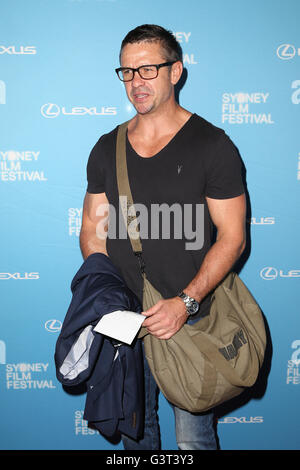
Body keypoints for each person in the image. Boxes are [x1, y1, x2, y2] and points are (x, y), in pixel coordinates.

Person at [79, 24, 246, 450]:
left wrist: (186, 303)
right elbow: (93, 233)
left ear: (176, 72)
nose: (136, 82)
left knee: (193, 440)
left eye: (148, 69)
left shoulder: (213, 145)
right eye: (127, 72)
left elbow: (232, 237)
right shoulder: (106, 147)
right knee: (137, 439)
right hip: (126, 326)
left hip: (191, 320)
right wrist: (108, 301)